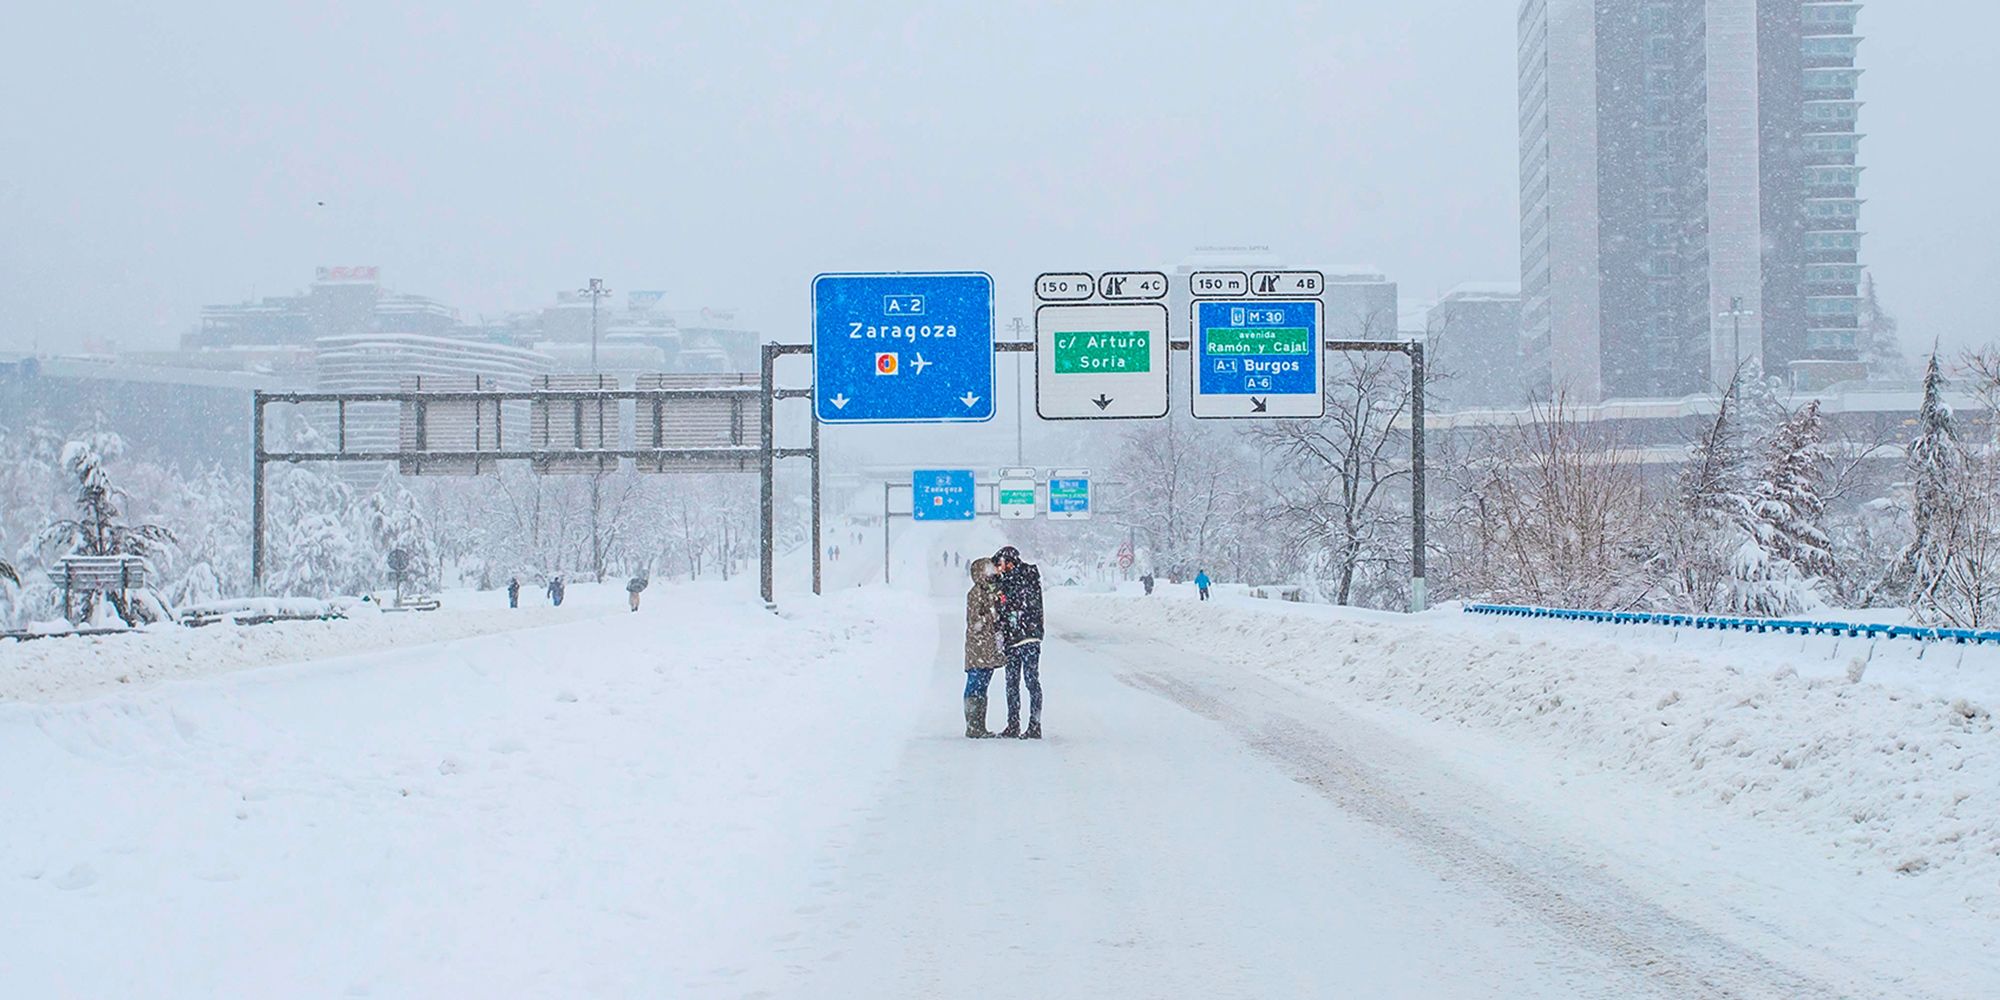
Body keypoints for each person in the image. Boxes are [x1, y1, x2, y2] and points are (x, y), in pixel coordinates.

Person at [992, 545, 1044, 739]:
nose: (998, 568)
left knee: (1028, 682)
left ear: (1009, 562)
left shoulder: (1023, 577)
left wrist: (1001, 592)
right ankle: (1017, 724)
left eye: (1000, 564)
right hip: (1016, 639)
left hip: (1026, 637)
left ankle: (1031, 725)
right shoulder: (1015, 579)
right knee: (1015, 683)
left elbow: (1012, 605)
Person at [961, 557, 1004, 738]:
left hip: (987, 649)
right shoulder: (975, 593)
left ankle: (980, 726)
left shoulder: (990, 591)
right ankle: (973, 726)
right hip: (978, 649)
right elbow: (975, 622)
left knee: (983, 687)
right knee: (975, 686)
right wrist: (991, 615)